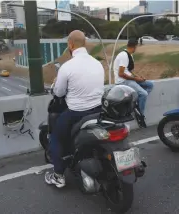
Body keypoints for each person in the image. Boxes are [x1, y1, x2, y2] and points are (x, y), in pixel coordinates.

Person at [45, 30, 104, 188]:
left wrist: (57, 81)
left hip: (77, 113)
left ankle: (58, 175)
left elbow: (59, 92)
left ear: (70, 45)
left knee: (56, 137)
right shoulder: (97, 63)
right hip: (99, 110)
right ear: (84, 43)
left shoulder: (67, 67)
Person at [113, 38, 153, 117]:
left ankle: (137, 101)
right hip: (123, 81)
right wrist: (135, 79)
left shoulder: (129, 55)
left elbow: (129, 70)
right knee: (144, 94)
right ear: (134, 46)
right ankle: (140, 115)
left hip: (129, 78)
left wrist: (137, 77)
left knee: (150, 85)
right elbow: (121, 74)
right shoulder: (124, 56)